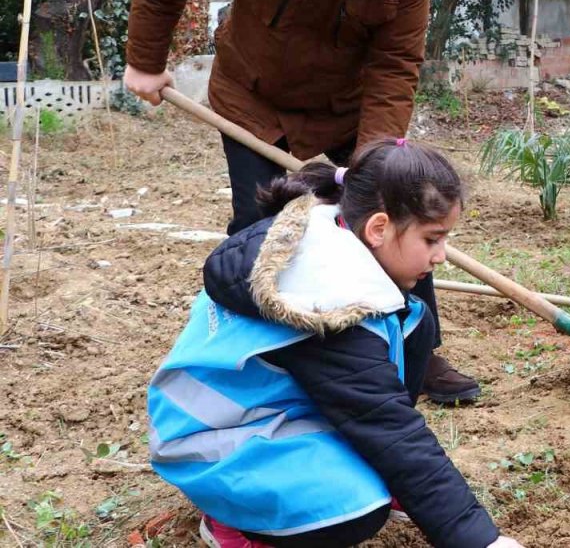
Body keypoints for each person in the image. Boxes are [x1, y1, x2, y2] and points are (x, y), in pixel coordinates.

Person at [123, 0, 478, 404]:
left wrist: (374, 162)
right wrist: (145, 61)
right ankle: (268, 355)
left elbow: (395, 65)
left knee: (394, 215)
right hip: (254, 105)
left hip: (347, 111)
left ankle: (416, 349)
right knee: (261, 231)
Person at [148, 140, 522, 548]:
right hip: (209, 444)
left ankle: (299, 476)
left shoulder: (331, 234)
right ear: (378, 228)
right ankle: (233, 522)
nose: (441, 257)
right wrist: (480, 541)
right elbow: (392, 432)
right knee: (353, 510)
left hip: (263, 414)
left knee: (414, 323)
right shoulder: (324, 301)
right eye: (432, 239)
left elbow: (382, 412)